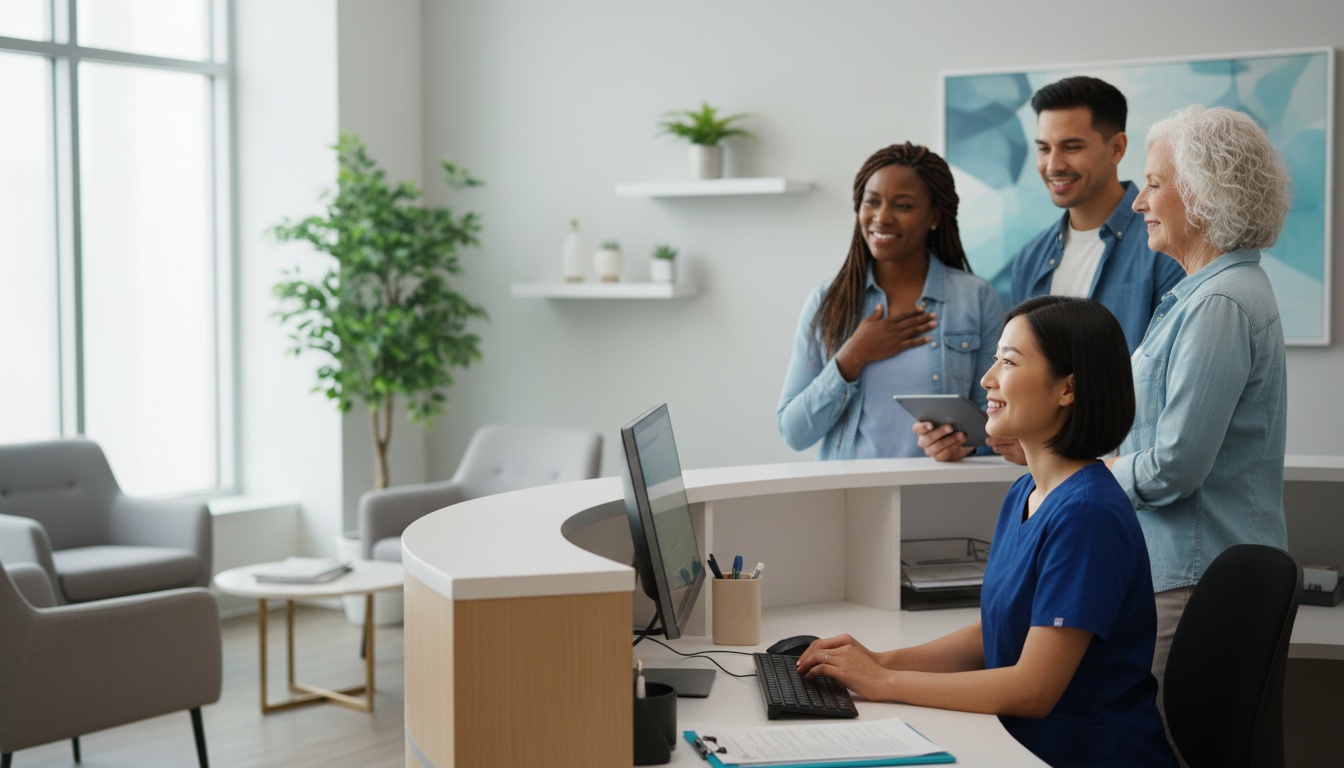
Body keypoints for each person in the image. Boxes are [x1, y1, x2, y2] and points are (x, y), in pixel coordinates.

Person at [798, 296, 1177, 768]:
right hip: (1022, 746)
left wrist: (883, 683)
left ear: (1068, 389)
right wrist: (879, 660)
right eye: (995, 358)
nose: (987, 378)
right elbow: (995, 633)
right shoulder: (1025, 493)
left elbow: (1033, 689)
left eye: (1009, 361)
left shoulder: (1088, 515)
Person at [1105, 105, 1290, 714]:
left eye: (1153, 185)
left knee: (1153, 748)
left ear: (1204, 196)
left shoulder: (1220, 304)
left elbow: (1175, 465)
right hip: (1186, 574)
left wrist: (1097, 474)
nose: (1137, 203)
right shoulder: (1209, 294)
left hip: (1190, 579)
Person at [919, 76, 1182, 463]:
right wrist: (977, 437)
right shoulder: (1032, 257)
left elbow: (1173, 384)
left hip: (1128, 482)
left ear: (1117, 148)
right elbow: (1022, 377)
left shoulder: (1162, 246)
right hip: (1051, 482)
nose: (1053, 165)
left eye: (1071, 147)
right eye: (1044, 148)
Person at [778, 143, 1003, 460]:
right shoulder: (826, 302)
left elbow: (1001, 422)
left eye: (903, 206)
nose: (882, 218)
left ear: (934, 216)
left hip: (945, 495)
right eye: (871, 202)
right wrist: (851, 357)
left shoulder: (976, 298)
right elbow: (794, 432)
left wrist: (967, 445)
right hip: (850, 498)